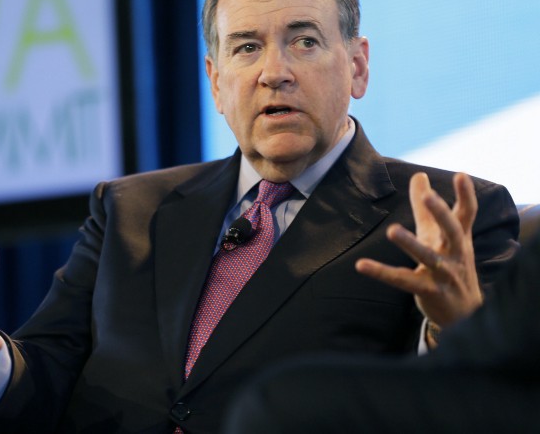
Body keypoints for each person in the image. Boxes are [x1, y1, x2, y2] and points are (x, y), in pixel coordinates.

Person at [0, 0, 519, 432]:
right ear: (215, 81)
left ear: (357, 66)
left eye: (304, 41)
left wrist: (455, 327)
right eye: (246, 47)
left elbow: (491, 403)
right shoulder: (129, 211)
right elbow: (44, 374)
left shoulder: (442, 218)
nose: (273, 71)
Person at [222, 172, 540, 433]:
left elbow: (502, 360)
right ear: (217, 93)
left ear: (358, 88)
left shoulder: (455, 205)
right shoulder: (173, 194)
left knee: (279, 405)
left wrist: (451, 323)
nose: (274, 88)